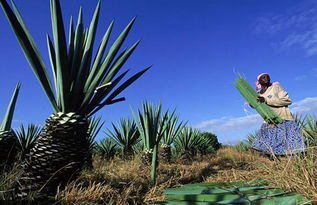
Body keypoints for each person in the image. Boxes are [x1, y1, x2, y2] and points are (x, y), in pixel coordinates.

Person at [251, 73, 306, 157]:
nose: (266, 77)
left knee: (293, 146)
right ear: (259, 81)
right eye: (263, 77)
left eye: (267, 76)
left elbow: (287, 100)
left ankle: (297, 164)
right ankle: (276, 164)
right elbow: (259, 106)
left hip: (284, 119)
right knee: (267, 146)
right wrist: (253, 104)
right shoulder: (259, 94)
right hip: (269, 122)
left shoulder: (276, 87)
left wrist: (266, 100)